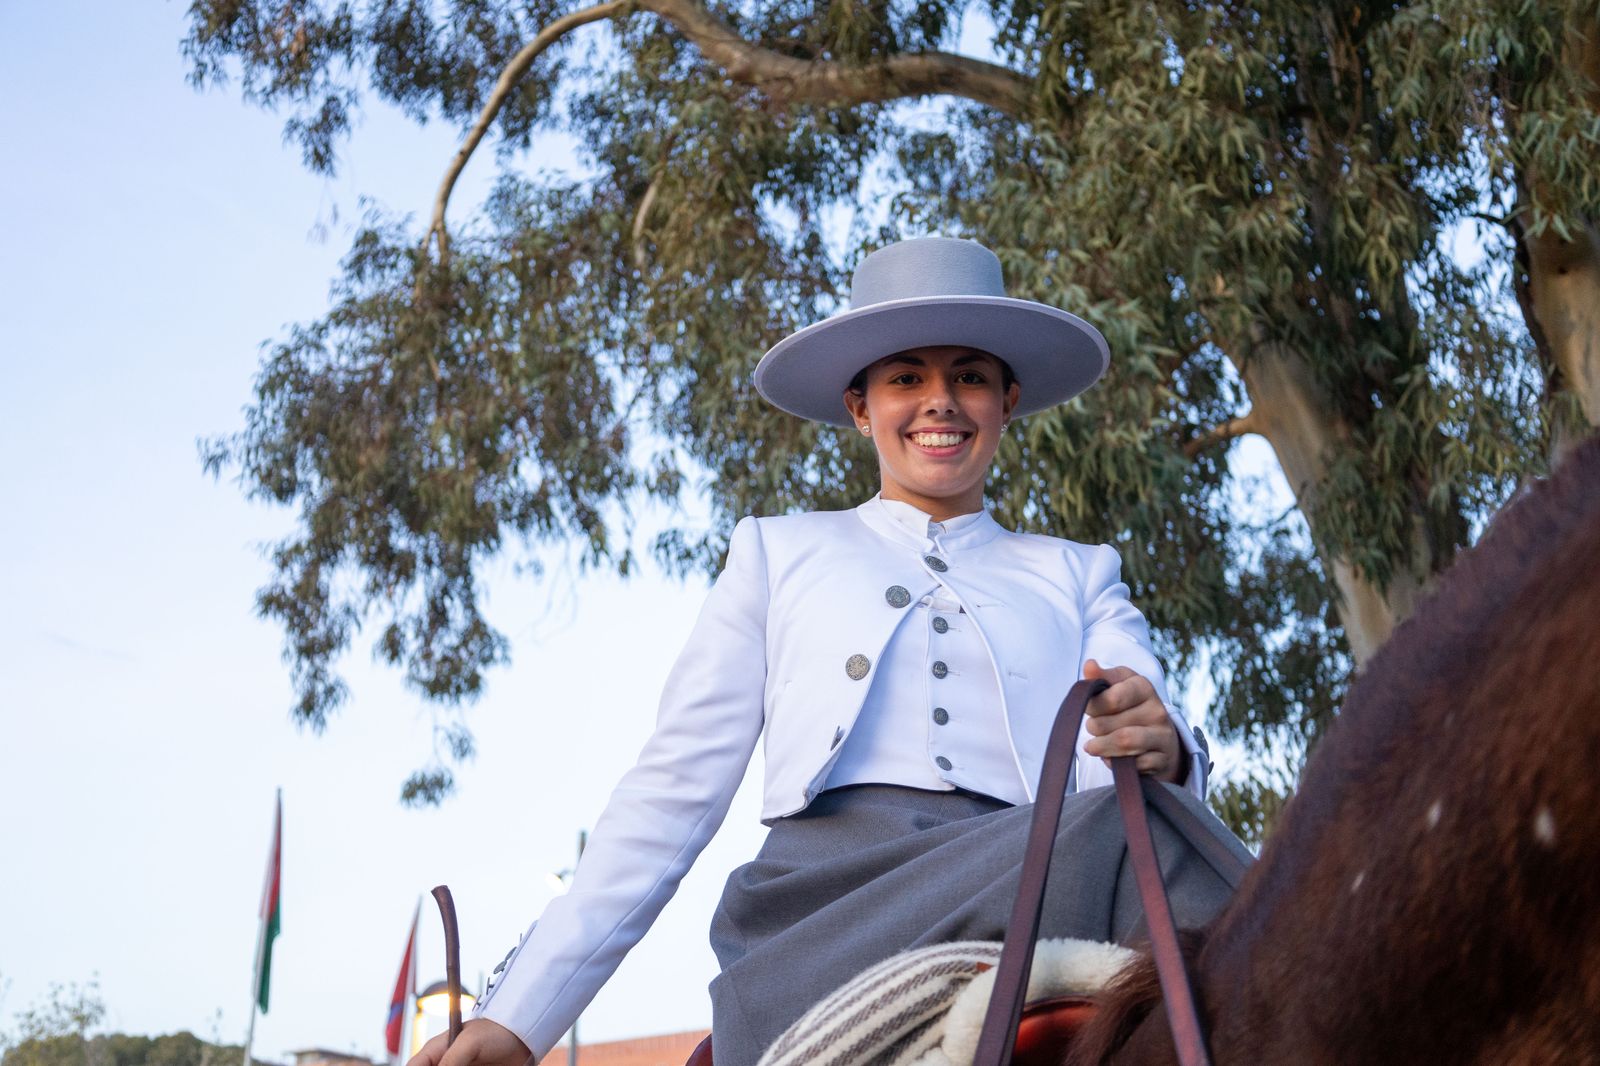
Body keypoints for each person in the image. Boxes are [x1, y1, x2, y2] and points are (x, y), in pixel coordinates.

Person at [409, 237, 1246, 1066]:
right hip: (821, 909)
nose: (941, 401)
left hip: (1032, 875)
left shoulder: (1080, 572)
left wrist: (1161, 746)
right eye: (907, 377)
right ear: (859, 407)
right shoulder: (776, 554)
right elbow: (672, 790)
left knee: (1164, 835)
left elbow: (1128, 754)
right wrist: (517, 1020)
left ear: (1007, 399)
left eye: (970, 376)